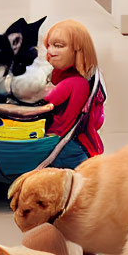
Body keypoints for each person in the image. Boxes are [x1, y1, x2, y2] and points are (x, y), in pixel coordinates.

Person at [41, 19, 104, 160]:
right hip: (67, 143)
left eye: (58, 46)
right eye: (49, 46)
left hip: (59, 146)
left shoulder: (74, 83)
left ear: (78, 50)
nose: (51, 51)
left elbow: (39, 103)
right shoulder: (80, 78)